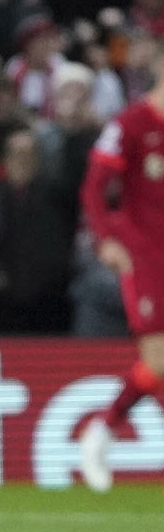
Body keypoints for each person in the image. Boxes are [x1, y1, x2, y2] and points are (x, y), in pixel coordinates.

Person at [77, 36, 164, 492]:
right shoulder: (131, 123)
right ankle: (102, 430)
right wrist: (106, 240)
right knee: (158, 361)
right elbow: (94, 187)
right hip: (145, 256)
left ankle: (103, 430)